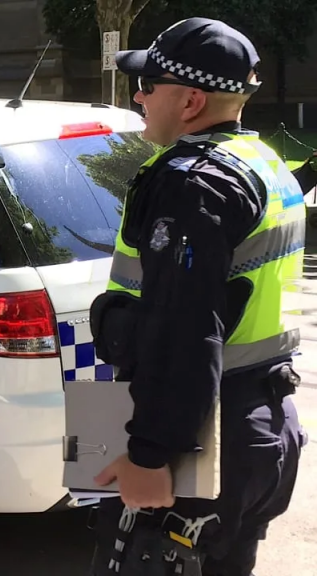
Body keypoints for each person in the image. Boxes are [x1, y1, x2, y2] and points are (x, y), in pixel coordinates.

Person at [87, 17, 309, 576]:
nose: (138, 97)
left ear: (190, 100)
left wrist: (150, 454)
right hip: (264, 424)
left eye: (148, 85)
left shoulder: (193, 184)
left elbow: (183, 328)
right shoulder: (263, 163)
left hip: (207, 440)